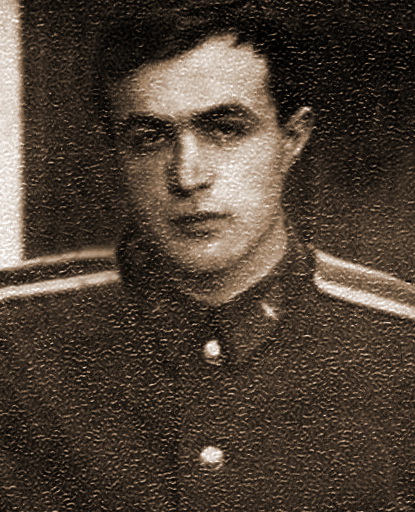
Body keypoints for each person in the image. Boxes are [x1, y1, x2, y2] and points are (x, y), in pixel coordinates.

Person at [0, 1, 413, 511]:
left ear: (292, 139)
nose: (187, 176)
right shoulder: (13, 336)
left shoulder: (401, 344)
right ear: (116, 153)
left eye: (225, 129)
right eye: (149, 138)